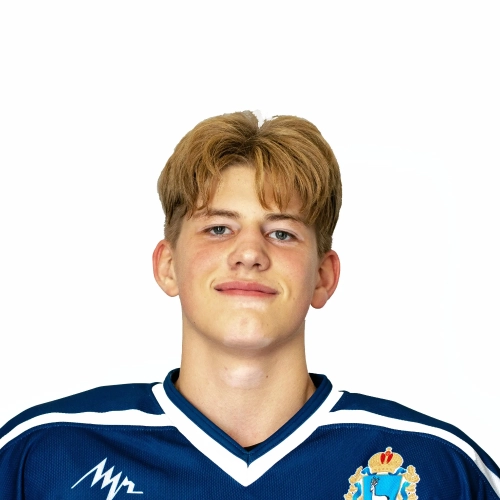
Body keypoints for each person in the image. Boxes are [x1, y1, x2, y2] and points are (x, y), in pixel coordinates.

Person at [0, 111, 498, 499]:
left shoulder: (438, 467)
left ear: (323, 277)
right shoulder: (43, 455)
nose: (249, 253)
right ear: (168, 265)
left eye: (281, 233)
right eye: (219, 228)